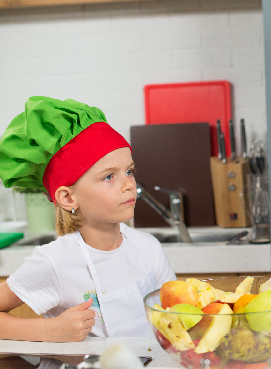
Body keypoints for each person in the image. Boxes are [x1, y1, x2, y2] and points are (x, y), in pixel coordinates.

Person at [0, 97, 176, 342]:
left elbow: (175, 317)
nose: (129, 184)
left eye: (129, 171)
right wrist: (50, 331)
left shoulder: (148, 248)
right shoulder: (55, 261)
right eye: (108, 177)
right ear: (68, 198)